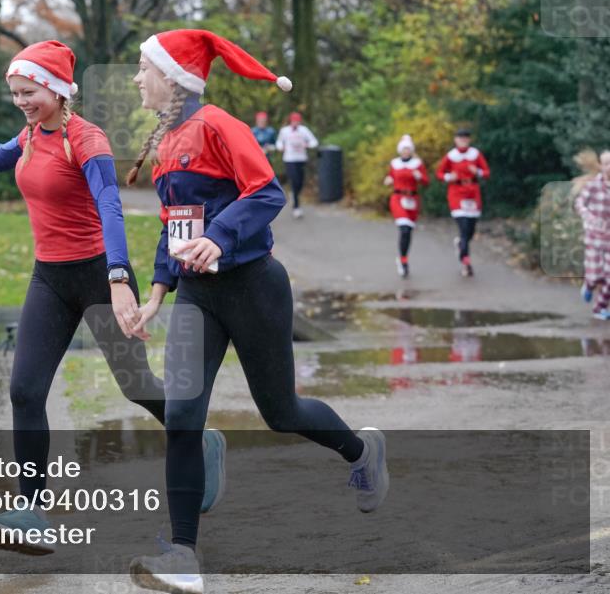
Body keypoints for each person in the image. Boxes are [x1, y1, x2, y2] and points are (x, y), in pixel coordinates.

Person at [0, 40, 226, 555]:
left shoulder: (87, 139)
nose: (21, 102)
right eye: (15, 94)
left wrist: (117, 279)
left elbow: (110, 208)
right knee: (25, 391)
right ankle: (32, 511)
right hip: (50, 278)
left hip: (99, 274)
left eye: (28, 92)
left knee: (137, 386)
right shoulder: (32, 134)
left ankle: (199, 437)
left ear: (56, 90)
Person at [124, 29, 388, 594]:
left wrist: (218, 238)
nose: (137, 78)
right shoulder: (167, 141)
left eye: (144, 67)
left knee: (281, 412)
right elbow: (174, 226)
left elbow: (267, 192)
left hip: (254, 287)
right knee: (182, 415)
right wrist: (157, 292)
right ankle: (183, 554)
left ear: (172, 77)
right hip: (198, 296)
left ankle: (361, 450)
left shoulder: (220, 125)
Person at [436, 128, 490, 277]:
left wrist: (477, 172)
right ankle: (466, 263)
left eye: (466, 138)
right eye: (460, 138)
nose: (463, 140)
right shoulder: (451, 156)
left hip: (473, 193)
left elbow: (486, 172)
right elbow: (439, 173)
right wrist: (449, 177)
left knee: (470, 230)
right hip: (457, 193)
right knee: (464, 228)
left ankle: (461, 244)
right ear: (456, 140)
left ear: (469, 140)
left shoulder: (475, 154)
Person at [383, 134, 430, 278]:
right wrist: (388, 179)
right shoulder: (394, 163)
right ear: (400, 150)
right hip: (398, 198)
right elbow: (390, 176)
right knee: (404, 229)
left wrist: (419, 176)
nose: (406, 151)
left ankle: (403, 257)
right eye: (404, 149)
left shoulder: (417, 164)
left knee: (408, 231)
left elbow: (426, 182)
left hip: (412, 199)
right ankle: (403, 262)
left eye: (408, 149)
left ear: (411, 150)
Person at [575, 150, 610, 320]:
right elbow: (580, 203)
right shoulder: (593, 185)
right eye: (607, 163)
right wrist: (589, 217)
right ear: (601, 166)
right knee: (596, 276)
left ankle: (599, 309)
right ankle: (589, 285)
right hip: (594, 237)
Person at [276, 111, 319, 219]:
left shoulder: (304, 130)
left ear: (300, 121)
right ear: (290, 121)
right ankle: (296, 207)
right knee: (294, 180)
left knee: (300, 182)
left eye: (297, 121)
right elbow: (279, 143)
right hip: (289, 159)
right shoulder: (284, 131)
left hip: (301, 159)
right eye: (294, 121)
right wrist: (281, 147)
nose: (295, 123)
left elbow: (314, 142)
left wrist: (307, 145)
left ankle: (294, 194)